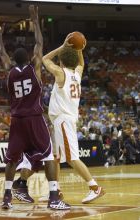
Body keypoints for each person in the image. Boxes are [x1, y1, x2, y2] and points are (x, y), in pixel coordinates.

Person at [0, 5, 70, 210]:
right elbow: (39, 42)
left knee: (11, 160)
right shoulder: (34, 69)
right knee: (47, 155)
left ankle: (7, 197)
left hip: (17, 121)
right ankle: (54, 197)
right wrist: (35, 20)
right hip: (34, 118)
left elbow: (1, 53)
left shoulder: (9, 71)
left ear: (13, 60)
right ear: (28, 59)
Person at [42, 34, 104, 204]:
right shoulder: (78, 73)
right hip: (63, 120)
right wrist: (79, 50)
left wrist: (63, 46)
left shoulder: (60, 73)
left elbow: (45, 59)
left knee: (71, 158)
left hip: (63, 120)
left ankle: (94, 188)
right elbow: (82, 63)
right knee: (56, 157)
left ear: (61, 61)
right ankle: (56, 191)